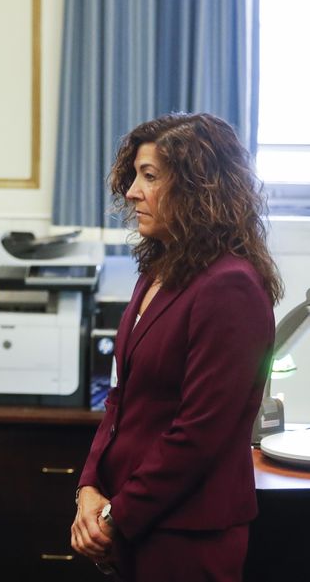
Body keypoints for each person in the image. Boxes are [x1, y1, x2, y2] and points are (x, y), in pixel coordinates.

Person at [71, 112, 282, 581]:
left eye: (150, 177)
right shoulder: (158, 271)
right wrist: (88, 487)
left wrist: (114, 516)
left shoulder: (230, 287)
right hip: (134, 522)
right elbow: (119, 397)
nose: (131, 191)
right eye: (135, 176)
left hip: (188, 535)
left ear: (199, 189)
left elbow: (199, 434)